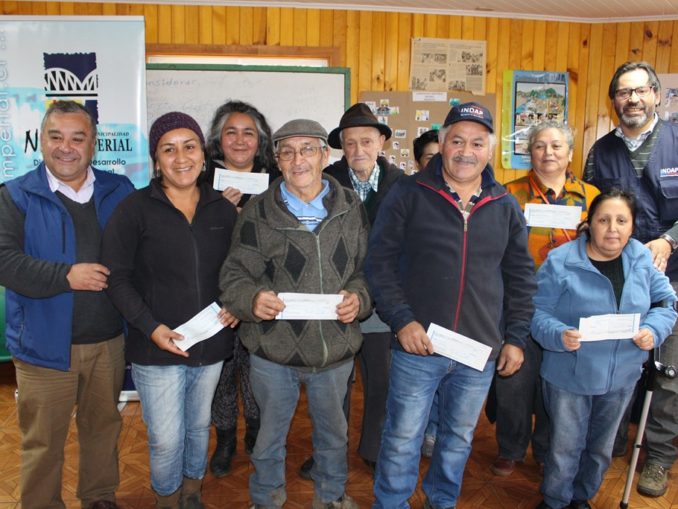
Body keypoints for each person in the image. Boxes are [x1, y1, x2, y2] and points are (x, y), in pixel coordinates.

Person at [366, 102, 536, 509]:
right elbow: (379, 264)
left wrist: (515, 339)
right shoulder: (408, 193)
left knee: (458, 439)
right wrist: (402, 321)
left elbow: (520, 277)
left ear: (489, 151)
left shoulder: (505, 204)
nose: (466, 151)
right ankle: (391, 503)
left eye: (477, 143)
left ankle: (442, 502)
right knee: (402, 436)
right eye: (457, 141)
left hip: (477, 352)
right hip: (418, 347)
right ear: (442, 144)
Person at [219, 118, 371, 509]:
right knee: (269, 437)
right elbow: (235, 275)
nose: (297, 159)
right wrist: (252, 299)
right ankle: (265, 499)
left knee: (334, 436)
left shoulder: (350, 207)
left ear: (325, 155)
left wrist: (358, 298)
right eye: (286, 152)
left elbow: (365, 271)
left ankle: (331, 497)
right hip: (274, 351)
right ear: (277, 160)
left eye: (307, 150)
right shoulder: (259, 212)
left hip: (333, 350)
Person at [0, 100, 134, 509]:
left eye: (78, 138)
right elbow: (4, 261)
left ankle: (99, 497)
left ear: (93, 143)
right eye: (56, 136)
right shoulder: (16, 195)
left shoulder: (119, 190)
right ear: (40, 140)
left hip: (108, 341)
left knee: (103, 427)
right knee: (43, 441)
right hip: (43, 347)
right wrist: (65, 276)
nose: (66, 147)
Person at [101, 112, 238, 509]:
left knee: (198, 426)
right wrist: (151, 327)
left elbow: (238, 270)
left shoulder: (222, 209)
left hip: (210, 343)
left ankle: (192, 490)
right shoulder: (133, 209)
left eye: (189, 147)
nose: (181, 158)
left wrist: (235, 303)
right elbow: (116, 278)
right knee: (165, 438)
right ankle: (167, 497)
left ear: (204, 154)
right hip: (155, 346)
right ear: (156, 160)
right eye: (169, 149)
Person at [532, 189, 677, 509]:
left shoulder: (641, 258)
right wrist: (559, 334)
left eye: (621, 221)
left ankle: (581, 498)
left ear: (632, 226)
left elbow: (667, 303)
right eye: (604, 220)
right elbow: (537, 312)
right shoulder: (561, 260)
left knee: (600, 449)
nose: (613, 228)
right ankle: (555, 501)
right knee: (564, 449)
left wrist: (653, 330)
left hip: (621, 377)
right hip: (569, 374)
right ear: (590, 224)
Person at [584, 60, 678, 497]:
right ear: (614, 101)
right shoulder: (601, 151)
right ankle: (613, 436)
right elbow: (591, 213)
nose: (633, 99)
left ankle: (658, 456)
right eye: (624, 92)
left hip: (672, 278)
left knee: (668, 371)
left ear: (656, 95)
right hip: (617, 280)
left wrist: (670, 241)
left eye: (640, 90)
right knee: (619, 359)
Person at [489, 121, 600, 476]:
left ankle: (546, 446)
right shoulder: (508, 194)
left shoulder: (591, 197)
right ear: (529, 153)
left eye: (556, 146)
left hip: (569, 307)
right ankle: (510, 446)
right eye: (539, 146)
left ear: (570, 153)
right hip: (520, 302)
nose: (548, 153)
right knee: (514, 378)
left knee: (558, 381)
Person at [318, 102, 402, 473]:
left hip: (382, 298)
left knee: (380, 380)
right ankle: (330, 451)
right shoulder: (325, 182)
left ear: (381, 142)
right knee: (333, 384)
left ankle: (374, 448)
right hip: (336, 299)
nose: (358, 150)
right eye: (350, 143)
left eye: (366, 141)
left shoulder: (402, 185)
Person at [204, 100, 281, 477]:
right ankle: (225, 438)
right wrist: (217, 212)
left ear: (260, 140)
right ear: (218, 140)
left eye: (248, 132)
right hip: (212, 295)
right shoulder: (201, 180)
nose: (239, 140)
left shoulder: (277, 182)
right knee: (221, 371)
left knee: (257, 370)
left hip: (262, 295)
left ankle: (254, 429)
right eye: (230, 132)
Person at [411, 128, 440, 457]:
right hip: (417, 310)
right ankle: (422, 432)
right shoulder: (408, 196)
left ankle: (434, 433)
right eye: (430, 158)